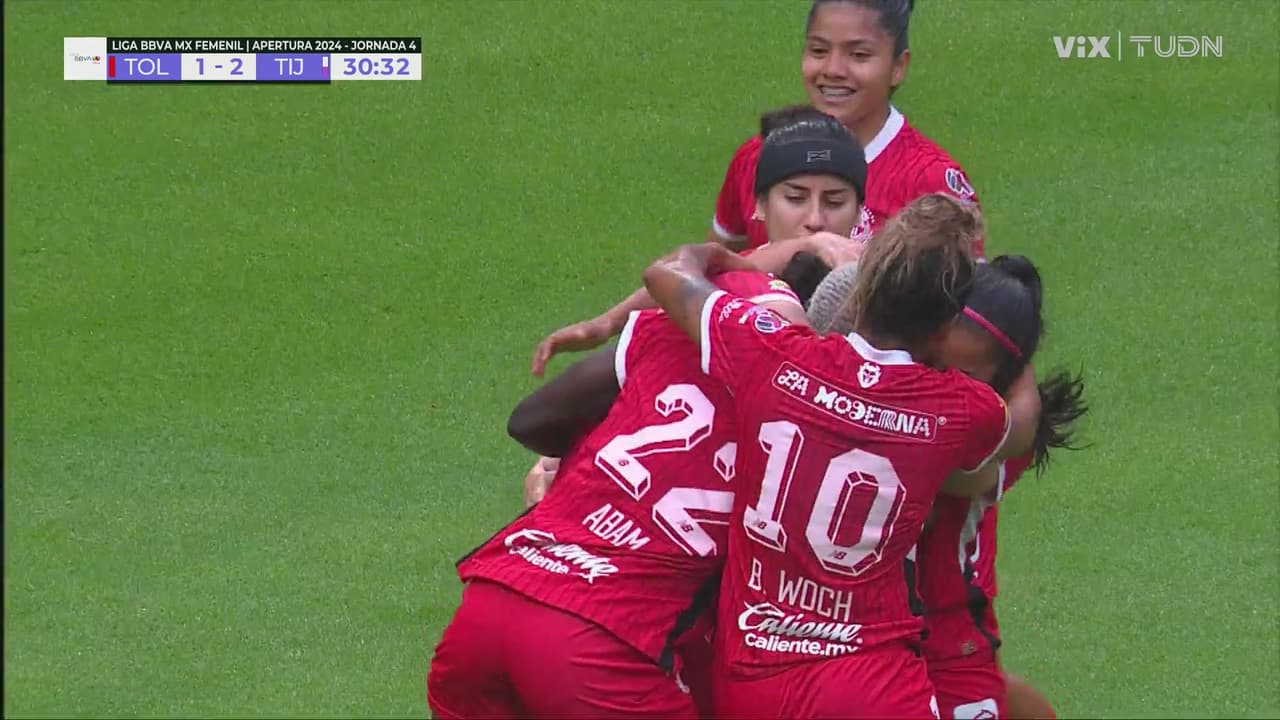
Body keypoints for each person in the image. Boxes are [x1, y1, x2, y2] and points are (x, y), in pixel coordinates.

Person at [641, 193, 1041, 719]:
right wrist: (1020, 346)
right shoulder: (959, 409)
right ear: (943, 329)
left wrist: (724, 257)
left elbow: (666, 274)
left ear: (863, 291)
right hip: (868, 684)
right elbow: (1021, 427)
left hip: (752, 680)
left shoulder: (771, 350)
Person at [426, 268, 805, 719]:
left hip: (493, 604)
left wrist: (580, 455)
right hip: (601, 642)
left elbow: (528, 421)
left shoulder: (667, 342)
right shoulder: (810, 415)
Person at [519, 112, 872, 511]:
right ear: (759, 205)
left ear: (860, 210)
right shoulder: (722, 291)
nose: (815, 221)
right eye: (795, 198)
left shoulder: (877, 304)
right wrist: (559, 461)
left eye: (835, 202)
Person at [808, 256, 1087, 720]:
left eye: (964, 377)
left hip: (951, 647)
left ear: (1001, 383)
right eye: (933, 364)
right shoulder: (906, 402)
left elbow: (942, 470)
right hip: (868, 643)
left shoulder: (995, 445)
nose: (940, 385)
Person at [710, 0, 984, 255]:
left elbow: (970, 289)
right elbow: (715, 270)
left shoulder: (932, 181)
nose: (833, 69)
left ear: (898, 67)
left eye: (859, 55)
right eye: (819, 50)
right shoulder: (758, 156)